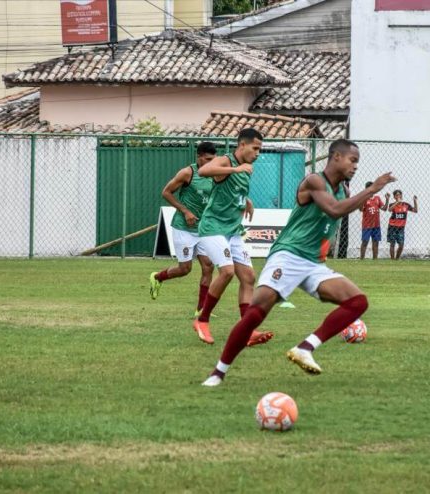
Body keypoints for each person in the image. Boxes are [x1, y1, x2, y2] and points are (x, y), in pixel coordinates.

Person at [202, 139, 397, 387]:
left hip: (313, 263)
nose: (356, 166)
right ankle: (218, 373)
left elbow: (339, 209)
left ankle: (305, 348)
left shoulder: (342, 190)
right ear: (336, 157)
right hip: (288, 255)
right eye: (353, 160)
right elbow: (334, 210)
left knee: (358, 301)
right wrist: (372, 189)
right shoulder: (315, 181)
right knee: (255, 314)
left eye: (357, 161)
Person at [192, 128, 272, 347]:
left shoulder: (247, 169)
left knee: (248, 277)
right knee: (227, 271)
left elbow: (234, 191)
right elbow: (204, 171)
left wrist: (246, 200)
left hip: (232, 231)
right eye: (255, 148)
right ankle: (202, 320)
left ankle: (247, 331)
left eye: (260, 149)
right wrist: (236, 169)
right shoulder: (227, 161)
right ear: (242, 145)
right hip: (213, 228)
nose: (257, 153)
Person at [149, 142, 216, 316]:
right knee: (185, 269)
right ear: (199, 156)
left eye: (213, 159)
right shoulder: (188, 173)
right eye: (207, 159)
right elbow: (166, 192)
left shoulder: (215, 174)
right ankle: (158, 277)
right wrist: (185, 211)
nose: (210, 163)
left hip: (204, 228)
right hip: (184, 228)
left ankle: (201, 310)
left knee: (208, 266)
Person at [383, 190, 417, 259]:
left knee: (401, 245)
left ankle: (397, 259)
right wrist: (397, 202)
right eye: (396, 195)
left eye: (399, 195)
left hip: (401, 227)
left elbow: (415, 210)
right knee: (392, 244)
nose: (398, 196)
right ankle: (392, 260)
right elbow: (389, 209)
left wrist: (415, 201)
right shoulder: (392, 204)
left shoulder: (405, 205)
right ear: (394, 197)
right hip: (392, 226)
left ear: (401, 195)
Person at [359, 182, 384, 260]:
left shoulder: (377, 198)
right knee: (365, 242)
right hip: (367, 225)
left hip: (376, 225)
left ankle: (375, 259)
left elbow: (384, 208)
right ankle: (361, 259)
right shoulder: (364, 198)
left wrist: (387, 200)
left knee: (376, 242)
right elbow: (360, 209)